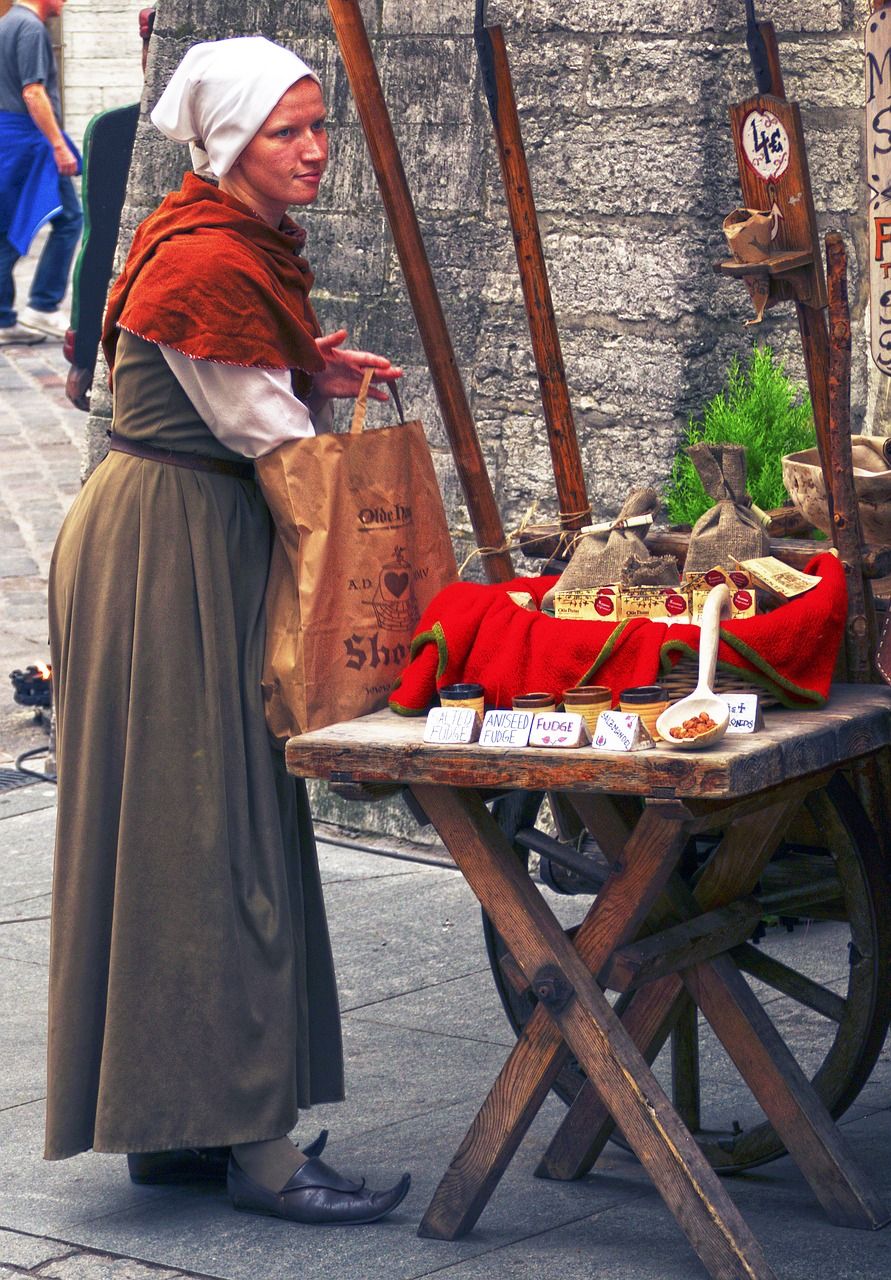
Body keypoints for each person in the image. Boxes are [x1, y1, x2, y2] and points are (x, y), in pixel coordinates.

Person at [46, 36, 410, 1226]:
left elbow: (240, 375)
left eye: (317, 127)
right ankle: (254, 1143)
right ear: (229, 143)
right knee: (223, 841)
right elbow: (269, 436)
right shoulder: (207, 257)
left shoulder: (207, 234)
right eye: (287, 131)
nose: (313, 150)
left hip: (162, 534)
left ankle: (174, 1121)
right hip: (174, 557)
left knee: (172, 837)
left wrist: (305, 357)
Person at [64, 7, 155, 409]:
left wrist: (83, 354)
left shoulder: (112, 129)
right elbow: (99, 244)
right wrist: (85, 351)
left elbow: (96, 245)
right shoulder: (113, 130)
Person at [0, 0, 82, 345]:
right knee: (69, 219)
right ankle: (43, 305)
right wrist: (58, 145)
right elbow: (33, 92)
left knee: (6, 227)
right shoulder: (30, 27)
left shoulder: (6, 23)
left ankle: (4, 319)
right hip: (29, 141)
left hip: (13, 138)